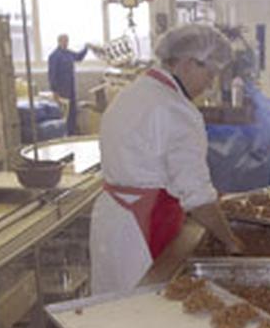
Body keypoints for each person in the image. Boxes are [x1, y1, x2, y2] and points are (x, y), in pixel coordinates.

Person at [90, 23, 244, 294]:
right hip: (142, 227)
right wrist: (230, 241)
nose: (211, 84)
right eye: (211, 73)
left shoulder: (134, 92)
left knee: (112, 310)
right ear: (188, 63)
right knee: (143, 310)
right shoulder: (177, 110)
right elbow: (196, 195)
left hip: (112, 218)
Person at [47, 34, 88, 135]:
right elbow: (52, 74)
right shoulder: (54, 56)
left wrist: (86, 48)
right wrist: (54, 90)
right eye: (64, 41)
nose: (66, 43)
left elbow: (79, 57)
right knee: (64, 112)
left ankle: (72, 131)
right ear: (59, 41)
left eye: (67, 41)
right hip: (61, 89)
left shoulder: (68, 53)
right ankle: (64, 132)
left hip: (71, 87)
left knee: (73, 111)